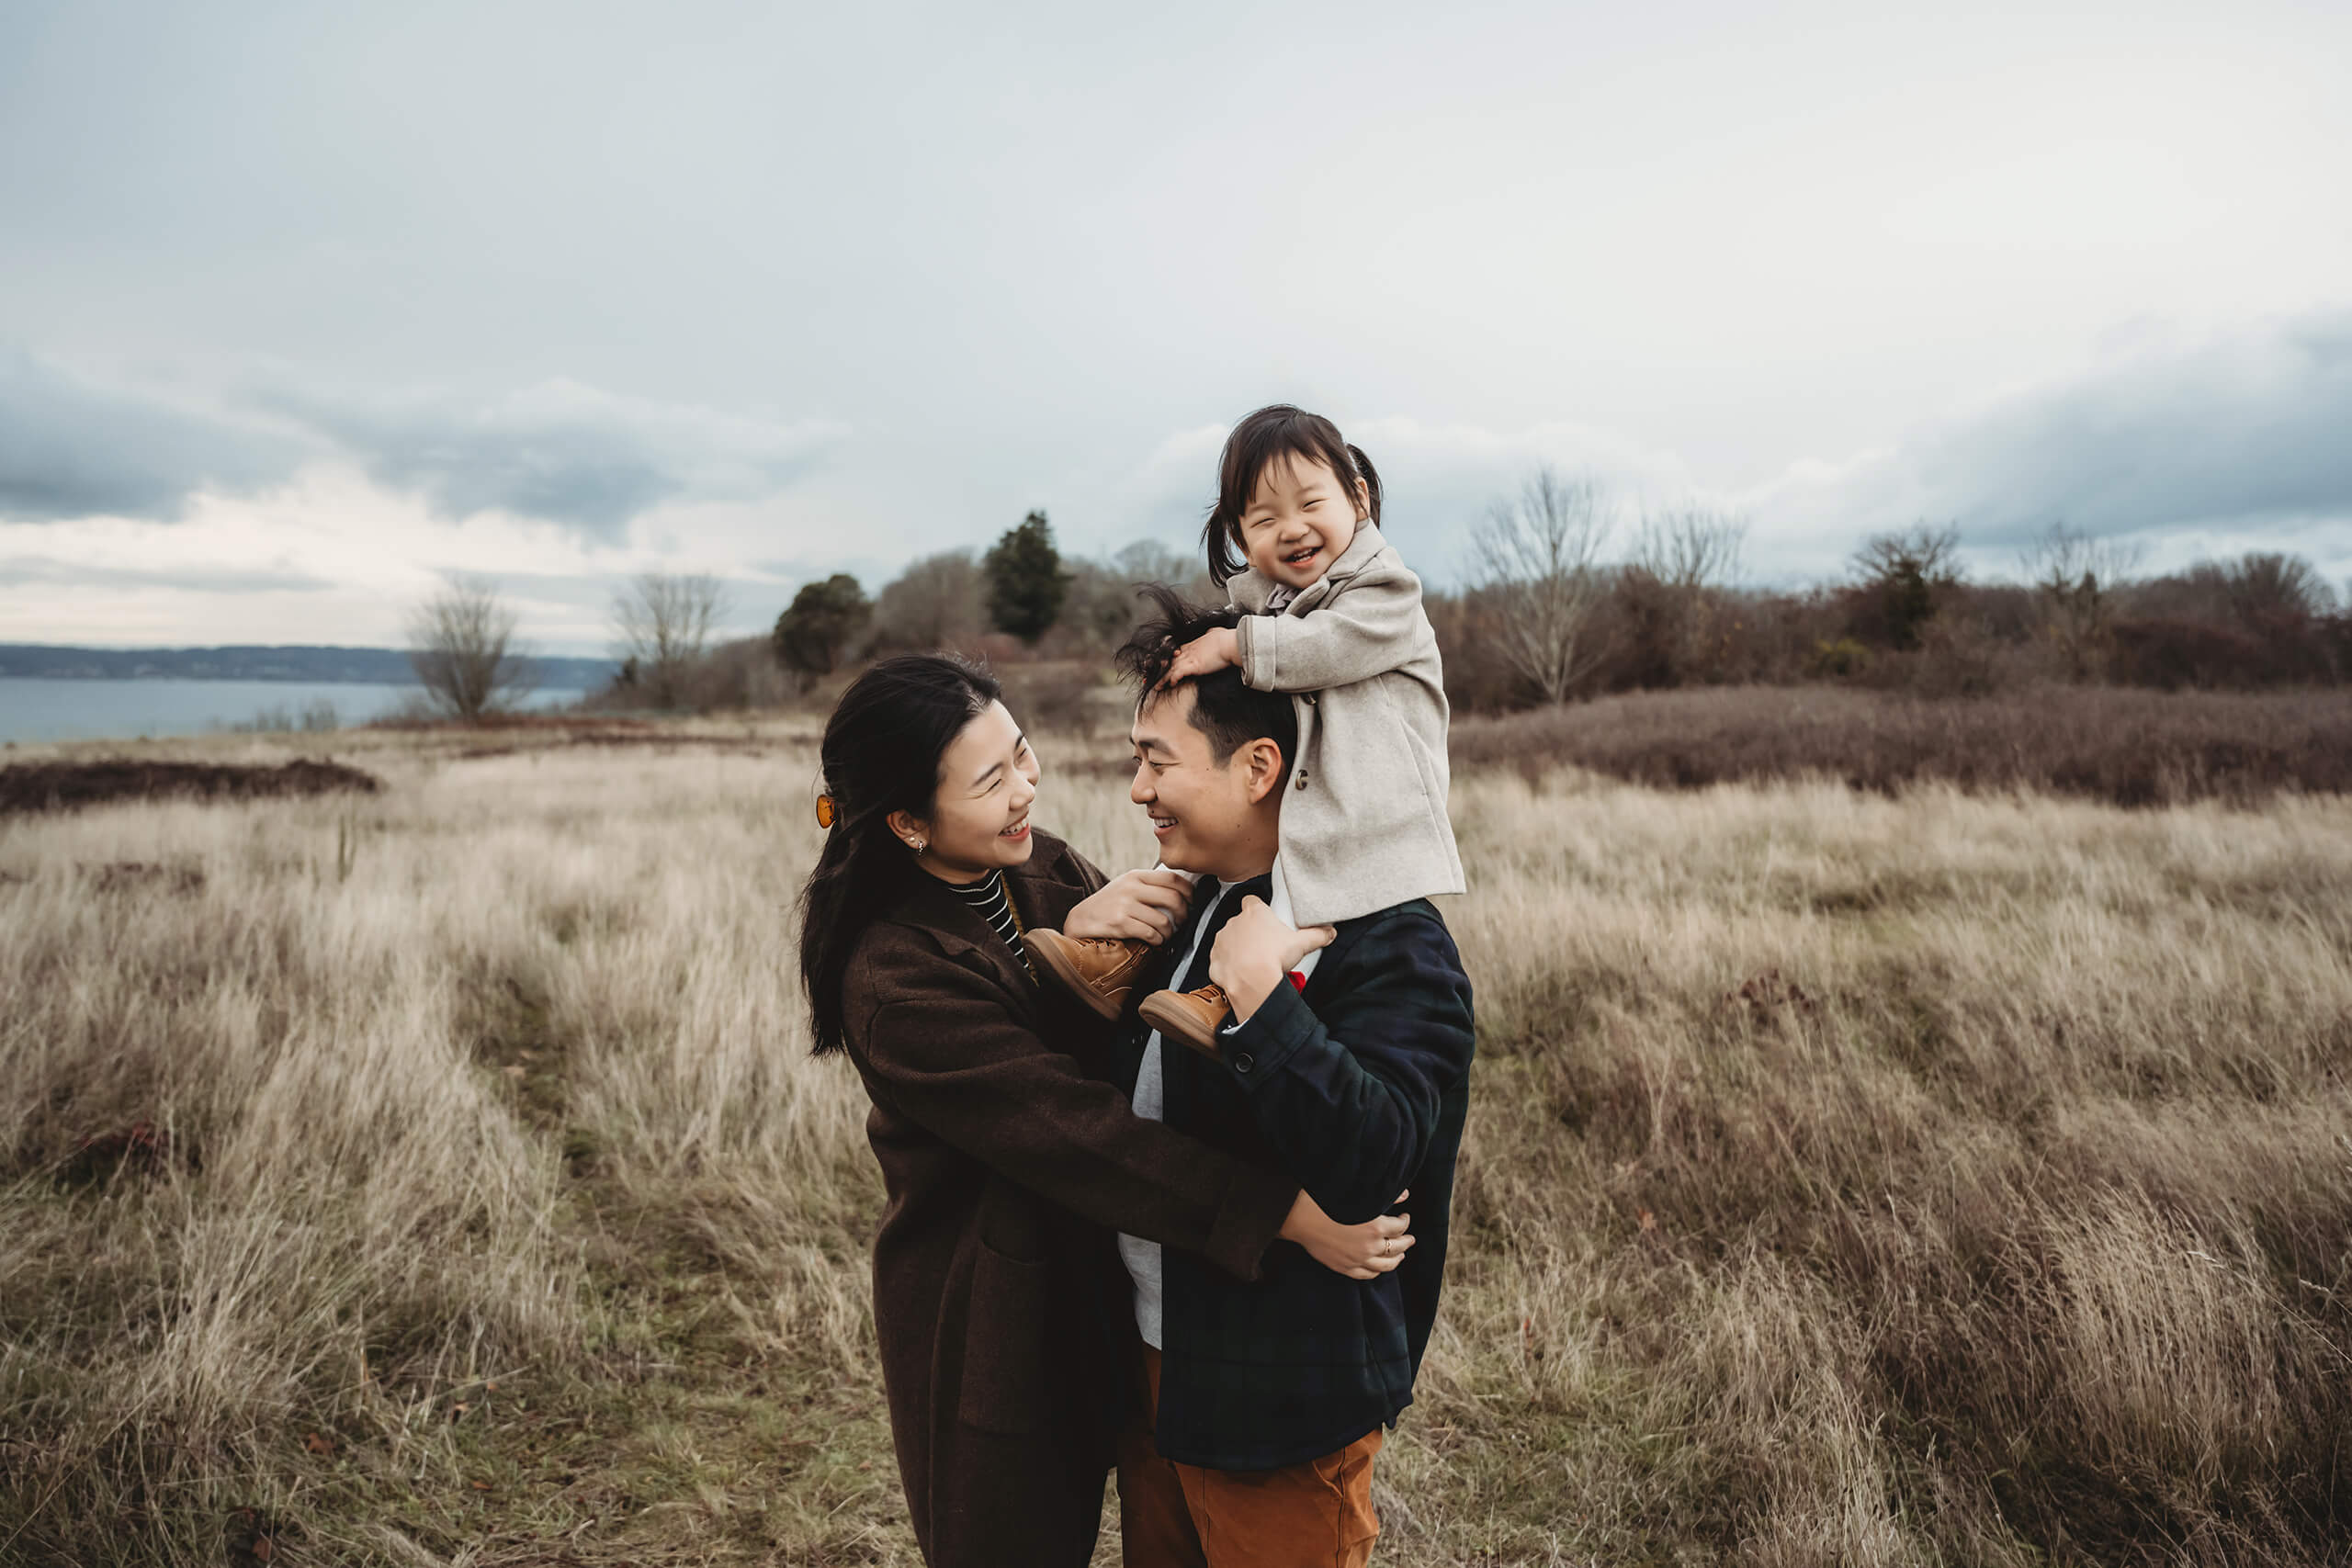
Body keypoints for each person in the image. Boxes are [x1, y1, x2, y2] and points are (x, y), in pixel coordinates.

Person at [797, 654, 1418, 1568]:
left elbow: (1141, 1033)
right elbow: (1074, 1130)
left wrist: (1094, 933)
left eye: (1021, 753)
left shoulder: (1039, 867)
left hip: (1125, 1283)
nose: (1025, 788)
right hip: (1000, 1314)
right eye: (990, 780)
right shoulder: (895, 980)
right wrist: (1279, 1214)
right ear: (908, 822)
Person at [1099, 592, 1478, 1568]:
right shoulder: (1193, 906)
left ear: (1260, 767)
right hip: (1158, 1368)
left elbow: (1375, 1160)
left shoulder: (1392, 940)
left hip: (1278, 1397)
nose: (1137, 789)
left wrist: (1267, 1002)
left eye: (1157, 760)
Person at [1025, 402, 1463, 1052]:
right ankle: (1119, 956)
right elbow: (1218, 646)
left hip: (1369, 808)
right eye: (1264, 518)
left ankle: (1233, 996)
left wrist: (1235, 648)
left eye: (1311, 503)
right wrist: (1189, 658)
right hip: (1307, 794)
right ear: (1238, 533)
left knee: (1302, 910)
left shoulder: (1385, 591)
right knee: (1186, 861)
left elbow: (1330, 645)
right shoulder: (1264, 598)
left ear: (1359, 498)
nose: (1293, 529)